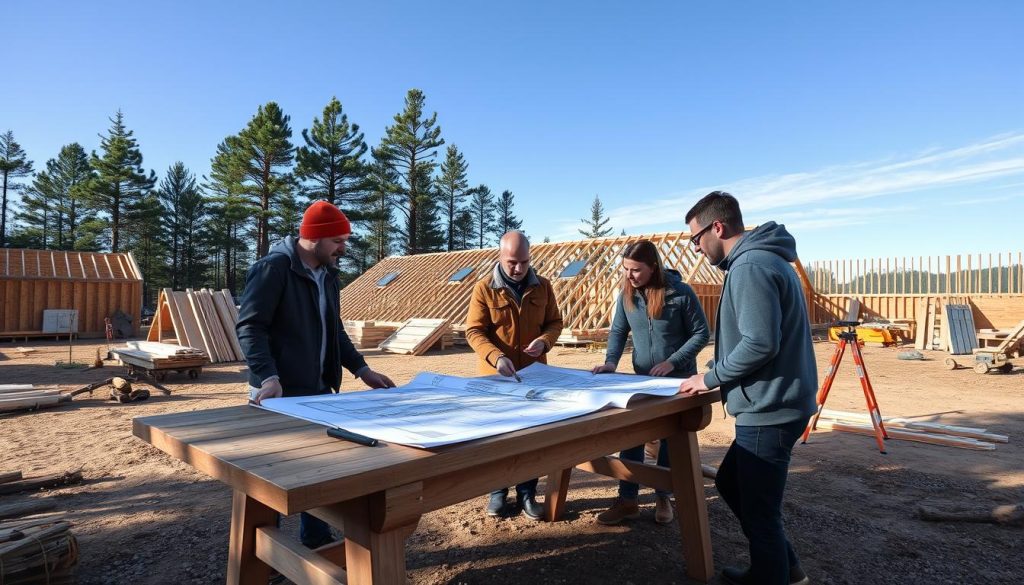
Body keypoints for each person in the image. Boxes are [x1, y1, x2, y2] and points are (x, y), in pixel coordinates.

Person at [236, 199, 395, 549]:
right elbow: (250, 327)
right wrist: (268, 376)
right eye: (338, 240)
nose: (344, 247)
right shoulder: (273, 269)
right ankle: (259, 557)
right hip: (275, 392)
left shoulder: (328, 275)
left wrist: (362, 369)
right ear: (315, 238)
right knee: (269, 477)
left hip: (318, 391)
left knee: (319, 471)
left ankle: (317, 541)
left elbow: (333, 330)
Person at [677, 192, 816, 585]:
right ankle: (788, 570)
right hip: (778, 400)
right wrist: (717, 367)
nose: (697, 247)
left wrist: (709, 378)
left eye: (696, 238)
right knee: (730, 483)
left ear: (717, 227)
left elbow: (760, 343)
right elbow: (756, 339)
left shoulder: (750, 267)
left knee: (760, 512)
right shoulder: (764, 260)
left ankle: (773, 576)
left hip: (770, 406)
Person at [591, 240, 709, 526]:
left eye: (636, 270)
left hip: (677, 383)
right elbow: (619, 331)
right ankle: (627, 498)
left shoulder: (680, 293)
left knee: (670, 438)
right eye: (626, 269)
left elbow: (701, 333)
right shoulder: (627, 296)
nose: (629, 275)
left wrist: (673, 361)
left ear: (653, 267)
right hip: (642, 382)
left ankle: (663, 495)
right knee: (631, 434)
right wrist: (611, 362)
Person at [465, 230, 564, 520]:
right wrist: (496, 357)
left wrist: (544, 341)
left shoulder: (543, 287)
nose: (518, 268)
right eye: (512, 262)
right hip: (496, 378)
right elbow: (474, 331)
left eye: (523, 261)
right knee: (498, 435)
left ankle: (527, 492)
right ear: (500, 257)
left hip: (534, 377)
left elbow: (555, 322)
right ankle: (498, 491)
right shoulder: (484, 289)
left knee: (531, 436)